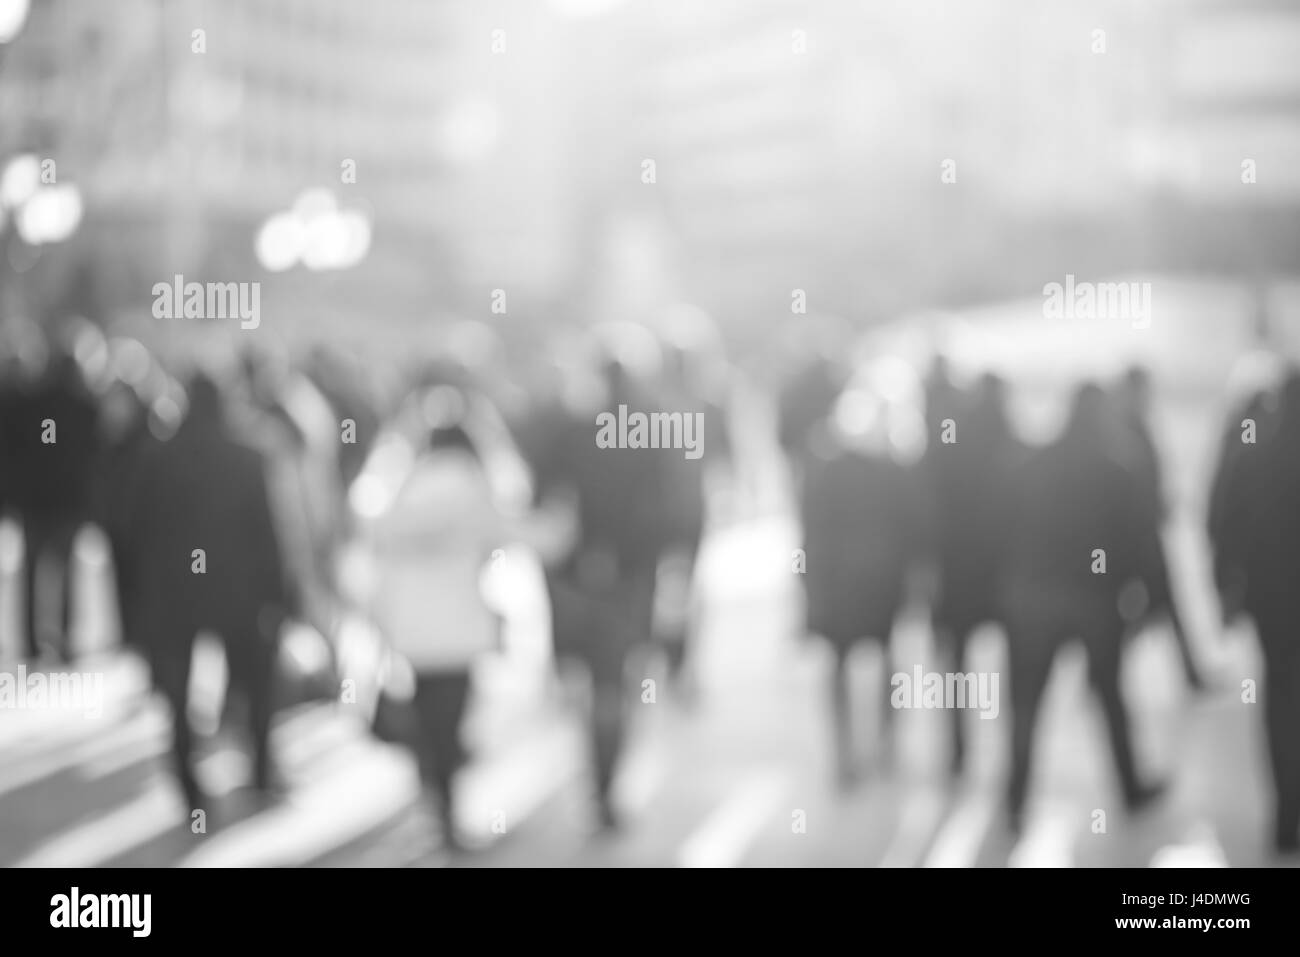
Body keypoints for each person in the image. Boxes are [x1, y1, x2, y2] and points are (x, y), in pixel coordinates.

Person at [360, 383, 533, 849]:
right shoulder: (477, 487)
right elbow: (505, 538)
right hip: (459, 623)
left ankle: (433, 799)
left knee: (426, 714)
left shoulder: (401, 486)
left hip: (413, 625)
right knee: (450, 720)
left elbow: (374, 541)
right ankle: (447, 810)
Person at [1002, 383, 1166, 832]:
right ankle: (1129, 788)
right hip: (1093, 601)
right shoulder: (1115, 470)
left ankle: (1015, 799)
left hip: (1034, 600)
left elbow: (1002, 533)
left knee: (1026, 706)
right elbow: (1138, 540)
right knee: (1111, 699)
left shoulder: (1031, 467)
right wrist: (1147, 596)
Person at [132, 371, 289, 812]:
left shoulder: (157, 458)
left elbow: (135, 531)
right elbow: (266, 532)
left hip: (174, 593)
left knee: (178, 695)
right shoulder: (244, 458)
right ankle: (259, 769)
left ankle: (189, 784)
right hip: (237, 592)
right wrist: (278, 595)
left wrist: (138, 598)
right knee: (255, 685)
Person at [801, 384, 920, 788]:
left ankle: (847, 751)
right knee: (881, 655)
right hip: (876, 579)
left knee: (843, 661)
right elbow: (913, 531)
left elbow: (812, 531)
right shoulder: (892, 471)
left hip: (844, 581)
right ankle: (881, 743)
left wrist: (808, 582)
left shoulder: (831, 469)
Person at [1207, 369, 1300, 853]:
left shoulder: (1253, 455)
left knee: (1281, 699)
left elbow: (1221, 525)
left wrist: (1226, 590)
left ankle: (1288, 816)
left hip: (1272, 601)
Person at [929, 372, 1021, 775]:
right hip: (1000, 571)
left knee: (955, 666)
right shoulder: (1010, 449)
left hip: (955, 571)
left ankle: (958, 750)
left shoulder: (949, 447)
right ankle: (1011, 758)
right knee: (1011, 669)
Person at [1111, 366, 1206, 690]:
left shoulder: (1135, 425)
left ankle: (1191, 673)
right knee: (1145, 607)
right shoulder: (1122, 429)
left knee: (1158, 605)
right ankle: (1104, 671)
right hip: (1136, 537)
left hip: (1146, 531)